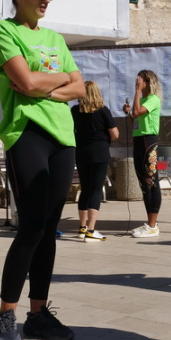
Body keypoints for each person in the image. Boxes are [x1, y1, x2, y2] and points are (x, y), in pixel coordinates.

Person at [0, 0, 85, 340]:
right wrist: (57, 81)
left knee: (49, 229)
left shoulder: (56, 40)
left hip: (63, 137)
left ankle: (38, 314)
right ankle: (5, 314)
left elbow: (80, 87)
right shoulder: (2, 32)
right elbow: (24, 82)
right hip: (26, 133)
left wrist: (45, 85)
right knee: (30, 226)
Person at [72, 81, 118, 241]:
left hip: (82, 153)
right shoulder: (103, 111)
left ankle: (82, 227)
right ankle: (91, 230)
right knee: (95, 191)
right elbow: (115, 134)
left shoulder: (74, 111)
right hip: (99, 153)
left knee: (85, 189)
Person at [123, 70, 163, 238]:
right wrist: (128, 114)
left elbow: (138, 112)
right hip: (139, 140)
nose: (137, 83)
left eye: (140, 81)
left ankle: (153, 225)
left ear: (148, 82)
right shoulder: (142, 100)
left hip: (149, 142)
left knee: (151, 182)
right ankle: (149, 224)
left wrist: (137, 92)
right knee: (143, 185)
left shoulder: (153, 99)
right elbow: (135, 120)